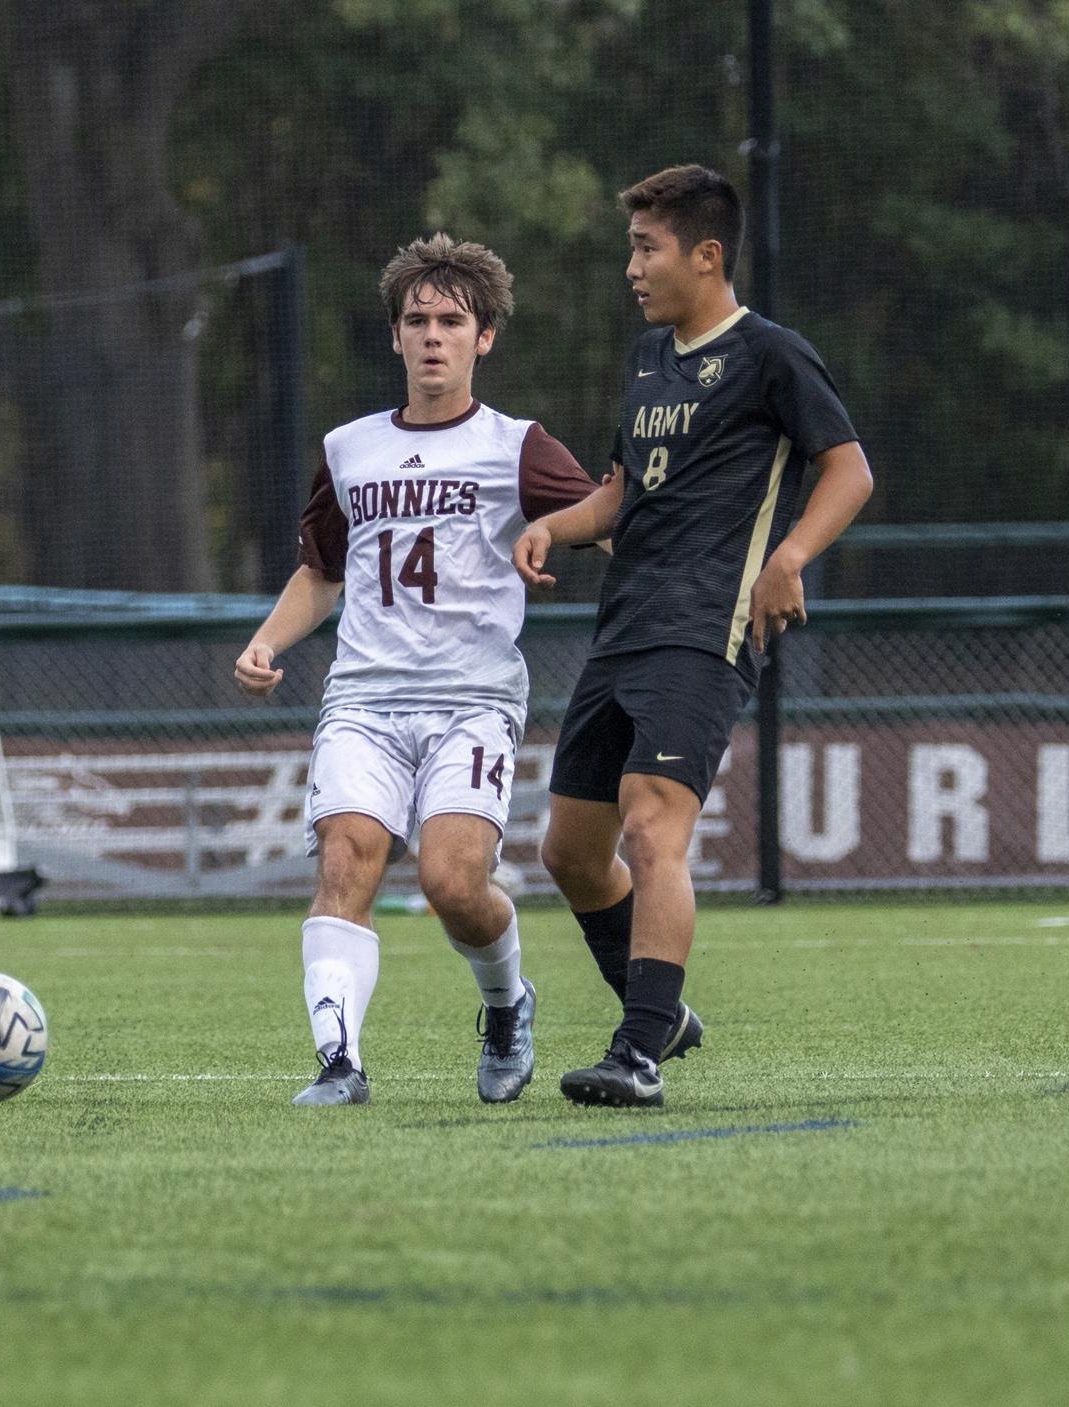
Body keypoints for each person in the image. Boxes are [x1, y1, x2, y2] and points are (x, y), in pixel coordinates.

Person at [515, 165, 875, 1108]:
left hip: (708, 623)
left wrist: (790, 556)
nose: (632, 268)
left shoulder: (771, 355)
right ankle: (664, 1016)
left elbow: (850, 470)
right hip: (623, 625)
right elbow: (620, 494)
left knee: (651, 822)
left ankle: (637, 1051)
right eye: (631, 248)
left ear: (706, 255)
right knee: (570, 851)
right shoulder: (646, 358)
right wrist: (553, 526)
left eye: (647, 248)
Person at [236, 233, 597, 1107]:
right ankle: (339, 1063)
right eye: (417, 320)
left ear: (485, 337)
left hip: (473, 700)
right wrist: (267, 641)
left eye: (453, 321)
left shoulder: (518, 446)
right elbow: (322, 571)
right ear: (395, 335)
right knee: (345, 861)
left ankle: (507, 1004)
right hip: (363, 699)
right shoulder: (349, 449)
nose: (433, 335)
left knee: (452, 882)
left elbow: (605, 518)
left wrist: (647, 572)